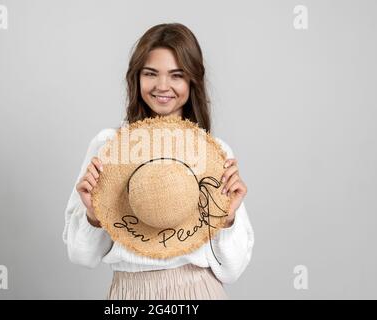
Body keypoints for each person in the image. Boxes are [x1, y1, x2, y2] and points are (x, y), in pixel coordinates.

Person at [62, 23, 254, 300]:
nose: (162, 86)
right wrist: (93, 215)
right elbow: (82, 257)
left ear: (192, 81)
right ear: (136, 78)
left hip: (197, 292)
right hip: (128, 294)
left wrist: (228, 218)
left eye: (177, 75)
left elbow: (232, 271)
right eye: (151, 74)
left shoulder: (214, 154)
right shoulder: (108, 148)